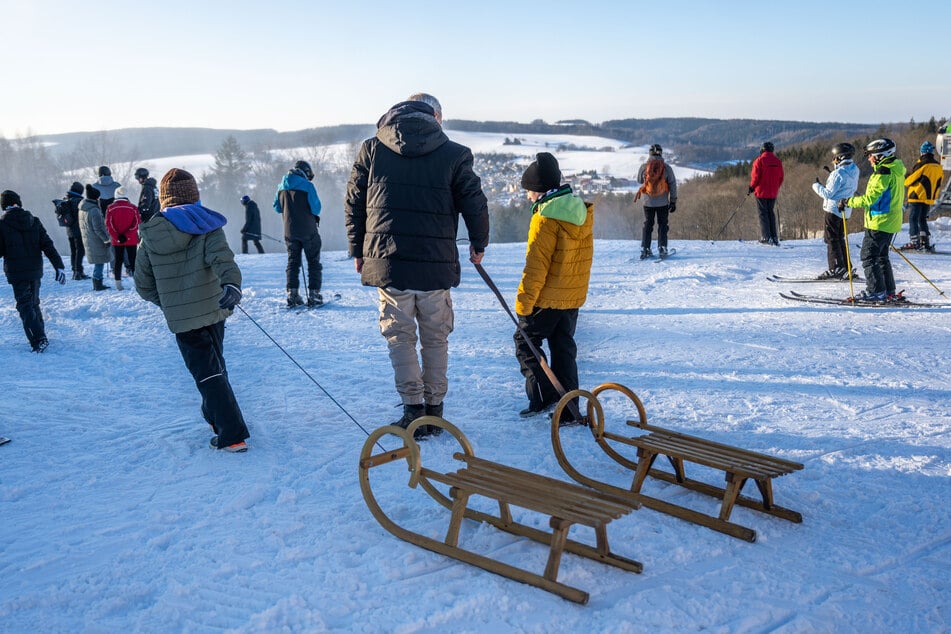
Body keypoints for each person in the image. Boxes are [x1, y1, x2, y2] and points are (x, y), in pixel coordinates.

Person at [345, 92, 490, 438]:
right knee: (436, 338)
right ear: (436, 117)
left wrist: (358, 250)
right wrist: (478, 244)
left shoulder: (371, 148)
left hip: (387, 260)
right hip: (434, 265)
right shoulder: (455, 154)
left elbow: (354, 202)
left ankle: (413, 409)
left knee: (400, 337)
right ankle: (435, 410)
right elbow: (475, 202)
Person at [134, 168, 250, 453]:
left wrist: (172, 303)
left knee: (207, 373)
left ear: (164, 199)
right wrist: (231, 285)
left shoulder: (151, 233)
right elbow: (222, 259)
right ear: (194, 195)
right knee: (214, 369)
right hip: (214, 309)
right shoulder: (206, 224)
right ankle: (218, 421)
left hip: (183, 320)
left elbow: (143, 284)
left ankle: (231, 434)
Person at [514, 153, 594, 422]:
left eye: (529, 191)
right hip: (572, 298)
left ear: (540, 190)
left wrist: (524, 305)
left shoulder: (545, 218)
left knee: (525, 342)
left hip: (547, 299)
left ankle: (542, 397)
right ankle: (569, 407)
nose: (527, 197)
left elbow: (536, 268)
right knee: (563, 347)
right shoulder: (579, 211)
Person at [0, 190, 67, 352]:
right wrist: (59, 266)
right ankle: (40, 334)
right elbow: (47, 245)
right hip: (35, 270)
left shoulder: (2, 225)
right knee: (33, 303)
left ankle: (39, 339)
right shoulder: (34, 221)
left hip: (16, 272)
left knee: (25, 305)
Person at [840, 138, 906, 302]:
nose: (869, 159)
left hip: (879, 221)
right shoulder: (896, 169)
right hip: (890, 221)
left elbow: (870, 200)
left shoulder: (882, 173)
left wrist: (848, 201)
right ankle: (888, 290)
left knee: (869, 257)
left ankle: (876, 291)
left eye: (871, 155)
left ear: (880, 155)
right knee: (882, 257)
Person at [273, 160, 322, 306]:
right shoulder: (308, 186)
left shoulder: (281, 186)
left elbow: (276, 208)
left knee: (293, 262)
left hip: (289, 230)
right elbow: (316, 209)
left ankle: (292, 294)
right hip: (308, 230)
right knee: (313, 262)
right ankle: (314, 294)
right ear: (305, 172)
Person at [811, 142, 861, 279]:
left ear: (840, 157)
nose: (833, 160)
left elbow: (828, 193)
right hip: (845, 210)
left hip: (833, 209)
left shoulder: (838, 173)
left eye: (835, 158)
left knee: (831, 239)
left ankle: (836, 268)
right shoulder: (855, 170)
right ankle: (846, 267)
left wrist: (816, 186)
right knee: (839, 238)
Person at [635, 144, 677, 259]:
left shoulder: (644, 166)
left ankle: (645, 248)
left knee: (648, 224)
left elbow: (639, 180)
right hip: (663, 202)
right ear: (661, 153)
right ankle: (662, 248)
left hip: (648, 202)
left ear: (649, 153)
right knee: (662, 224)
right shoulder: (667, 168)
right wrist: (673, 201)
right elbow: (673, 184)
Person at [901, 141, 944, 251]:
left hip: (917, 196)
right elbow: (940, 181)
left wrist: (906, 177)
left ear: (922, 152)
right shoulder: (938, 166)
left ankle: (914, 242)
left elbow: (908, 181)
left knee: (913, 219)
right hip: (929, 198)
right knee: (922, 219)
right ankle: (925, 241)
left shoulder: (922, 165)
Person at [749, 141, 785, 245]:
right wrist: (776, 187)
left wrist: (751, 187)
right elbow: (781, 177)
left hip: (761, 191)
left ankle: (766, 237)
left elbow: (755, 177)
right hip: (773, 192)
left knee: (763, 214)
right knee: (770, 213)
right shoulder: (778, 161)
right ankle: (774, 237)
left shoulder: (759, 161)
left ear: (762, 149)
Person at [105, 187, 140, 290]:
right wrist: (127, 236)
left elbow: (109, 225)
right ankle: (137, 282)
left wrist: (118, 237)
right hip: (131, 239)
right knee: (133, 260)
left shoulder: (110, 208)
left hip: (117, 240)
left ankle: (118, 284)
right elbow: (137, 223)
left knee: (118, 261)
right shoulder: (133, 208)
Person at [79, 184, 113, 291]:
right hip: (96, 239)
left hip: (89, 238)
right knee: (100, 261)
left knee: (98, 261)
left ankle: (97, 282)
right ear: (96, 198)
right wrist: (106, 239)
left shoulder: (83, 208)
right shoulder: (94, 210)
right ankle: (98, 283)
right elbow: (98, 228)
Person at [54, 181, 89, 280]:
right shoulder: (78, 201)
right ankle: (78, 272)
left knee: (73, 251)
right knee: (80, 251)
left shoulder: (66, 199)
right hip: (78, 230)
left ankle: (75, 271)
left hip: (69, 230)